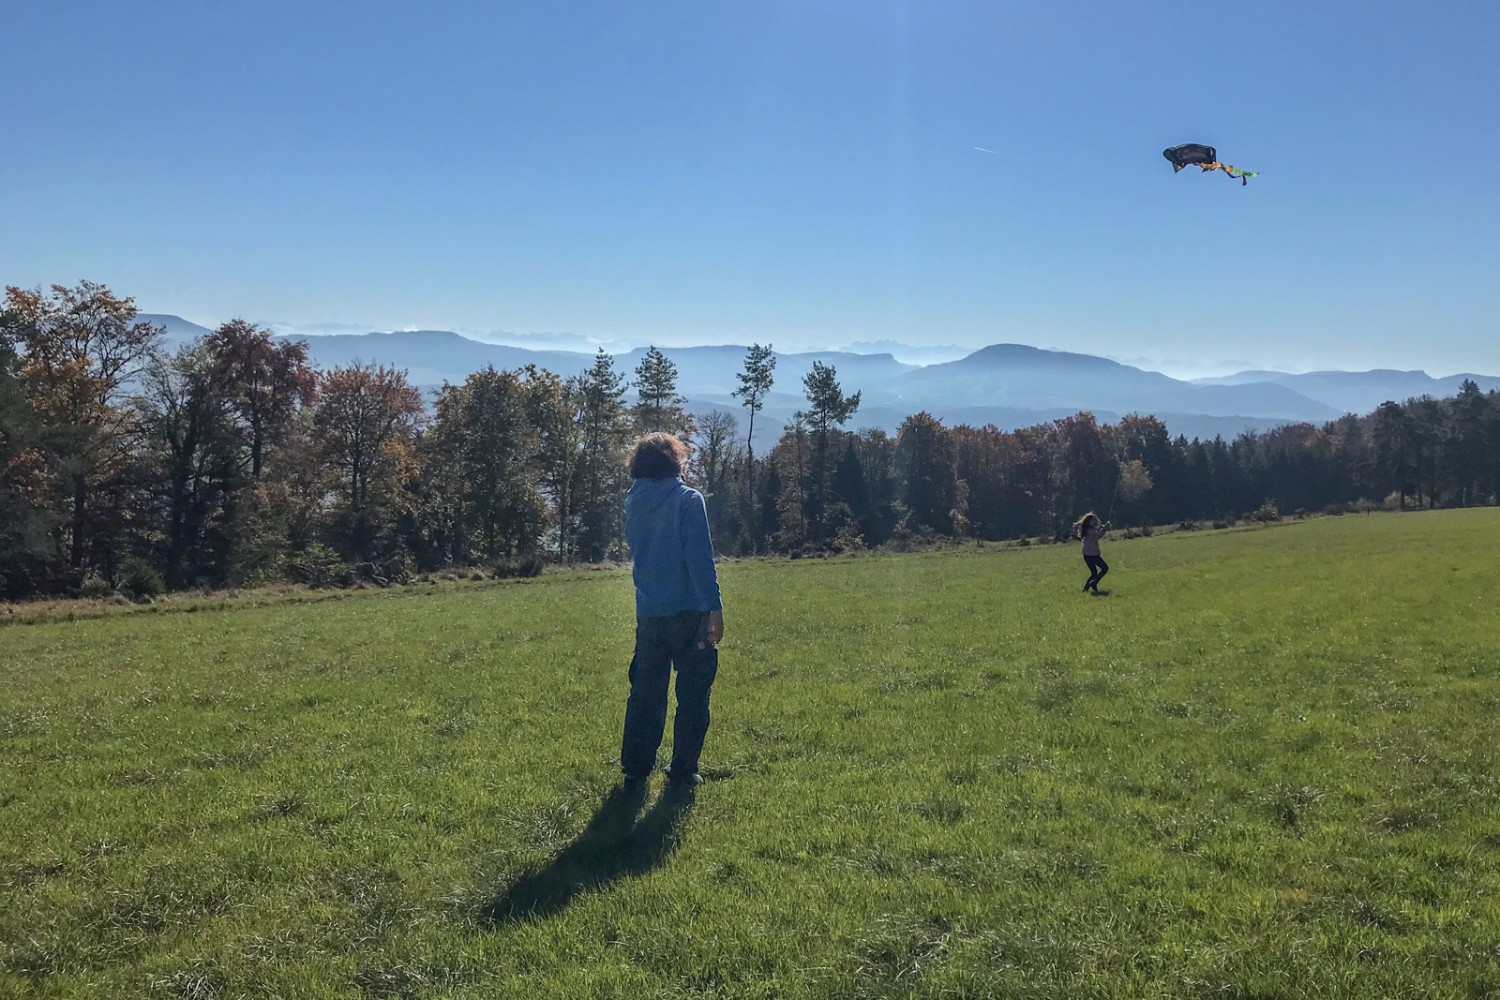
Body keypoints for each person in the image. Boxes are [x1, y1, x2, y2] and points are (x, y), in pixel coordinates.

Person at [620, 432, 725, 787]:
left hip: (649, 611)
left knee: (646, 693)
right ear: (675, 461)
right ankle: (683, 768)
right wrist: (714, 607)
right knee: (693, 695)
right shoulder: (688, 500)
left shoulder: (633, 501)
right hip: (689, 612)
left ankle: (636, 765)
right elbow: (700, 560)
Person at [1074, 511, 1110, 593]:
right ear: (1089, 521)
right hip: (1093, 555)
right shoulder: (1090, 530)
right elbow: (1097, 536)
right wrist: (1104, 529)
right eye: (1093, 520)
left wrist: (1101, 528)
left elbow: (1095, 533)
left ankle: (1086, 589)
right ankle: (1093, 583)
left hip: (1087, 555)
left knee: (1094, 573)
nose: (1095, 522)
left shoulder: (1087, 529)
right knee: (1105, 568)